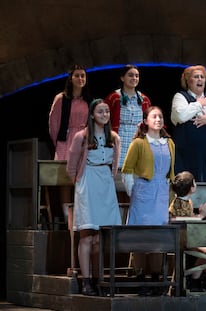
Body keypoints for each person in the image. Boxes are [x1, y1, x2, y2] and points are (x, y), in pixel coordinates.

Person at [66, 98, 122, 296]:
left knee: (100, 239)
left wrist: (107, 178)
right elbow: (71, 167)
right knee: (87, 235)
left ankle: (100, 280)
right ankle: (86, 281)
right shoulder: (81, 137)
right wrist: (80, 184)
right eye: (100, 112)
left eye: (107, 111)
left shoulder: (113, 137)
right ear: (91, 115)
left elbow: (114, 165)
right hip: (87, 181)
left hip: (105, 182)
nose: (104, 115)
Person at [121, 106, 175, 296]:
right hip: (143, 191)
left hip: (160, 193)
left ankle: (156, 279)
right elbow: (127, 170)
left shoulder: (168, 143)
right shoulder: (139, 143)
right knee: (141, 237)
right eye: (154, 116)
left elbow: (170, 173)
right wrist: (134, 191)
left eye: (160, 116)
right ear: (146, 120)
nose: (158, 119)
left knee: (157, 238)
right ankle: (141, 278)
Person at [168, 171, 206, 291]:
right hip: (183, 238)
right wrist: (201, 215)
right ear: (191, 188)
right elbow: (177, 219)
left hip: (192, 236)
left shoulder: (188, 201)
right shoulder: (178, 202)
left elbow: (189, 216)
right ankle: (193, 278)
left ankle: (200, 278)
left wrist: (203, 214)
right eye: (194, 182)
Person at [48, 64, 91, 222]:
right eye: (77, 76)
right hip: (66, 141)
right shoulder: (61, 99)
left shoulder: (88, 100)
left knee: (82, 177)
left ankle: (81, 214)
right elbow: (53, 123)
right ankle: (67, 215)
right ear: (71, 79)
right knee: (66, 178)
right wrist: (59, 143)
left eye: (83, 76)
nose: (80, 79)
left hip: (83, 141)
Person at [105, 64, 152, 169]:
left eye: (136, 76)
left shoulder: (144, 99)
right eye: (130, 75)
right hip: (119, 139)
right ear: (122, 78)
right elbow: (105, 120)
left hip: (137, 140)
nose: (134, 78)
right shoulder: (114, 97)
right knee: (118, 171)